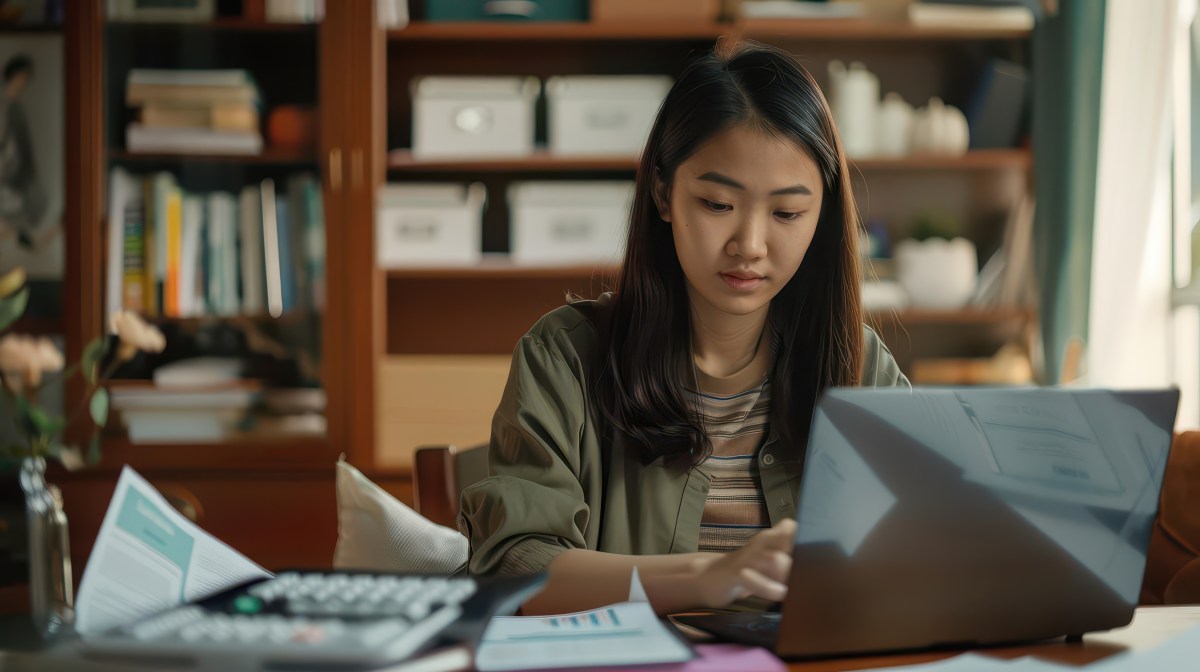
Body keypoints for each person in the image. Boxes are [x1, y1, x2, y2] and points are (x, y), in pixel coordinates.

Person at [459, 42, 909, 616]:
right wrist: (704, 576)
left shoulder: (860, 368)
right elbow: (512, 565)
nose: (749, 244)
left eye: (787, 213)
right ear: (663, 193)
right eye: (718, 204)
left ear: (822, 218)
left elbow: (924, 549)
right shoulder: (565, 358)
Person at [0, 54, 48, 248]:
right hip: (8, 171)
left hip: (20, 170)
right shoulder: (4, 106)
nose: (24, 82)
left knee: (36, 202)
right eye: (22, 77)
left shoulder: (16, 108)